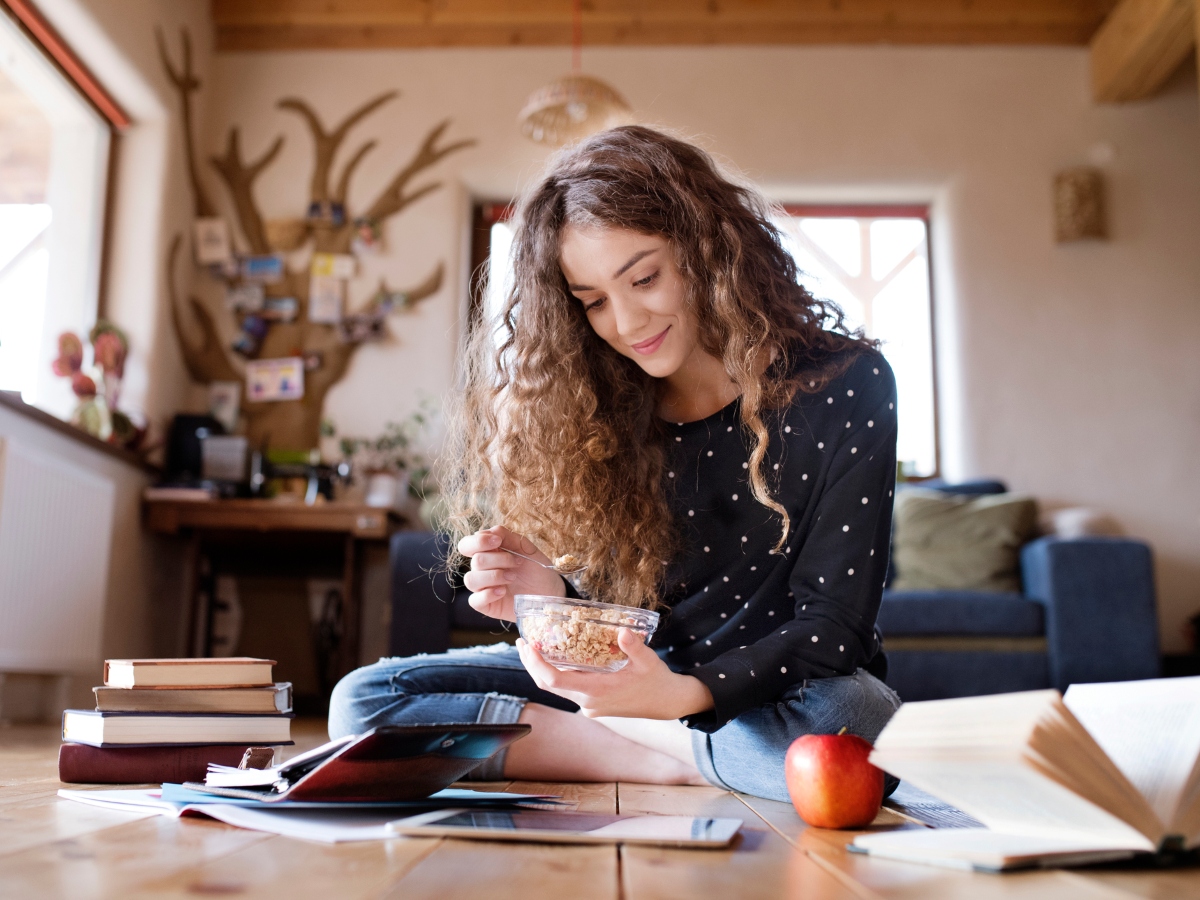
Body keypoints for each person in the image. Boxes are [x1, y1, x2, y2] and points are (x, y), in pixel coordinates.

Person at [329, 126, 901, 802]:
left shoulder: (846, 382)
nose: (627, 321)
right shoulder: (599, 405)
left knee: (855, 723)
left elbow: (834, 629)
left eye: (645, 278)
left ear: (707, 249)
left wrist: (682, 696)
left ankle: (643, 741)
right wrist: (549, 601)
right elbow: (629, 622)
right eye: (593, 300)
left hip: (783, 694)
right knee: (363, 702)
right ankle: (673, 757)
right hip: (641, 684)